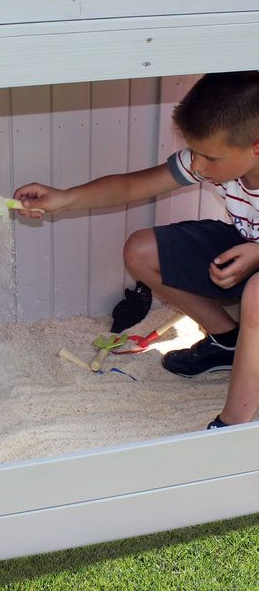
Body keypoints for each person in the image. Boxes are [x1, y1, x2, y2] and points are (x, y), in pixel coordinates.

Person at [14, 71, 259, 430]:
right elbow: (131, 187)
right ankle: (228, 342)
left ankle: (232, 424)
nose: (200, 167)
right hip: (245, 251)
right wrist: (64, 199)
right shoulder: (208, 162)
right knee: (141, 251)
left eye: (210, 158)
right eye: (196, 155)